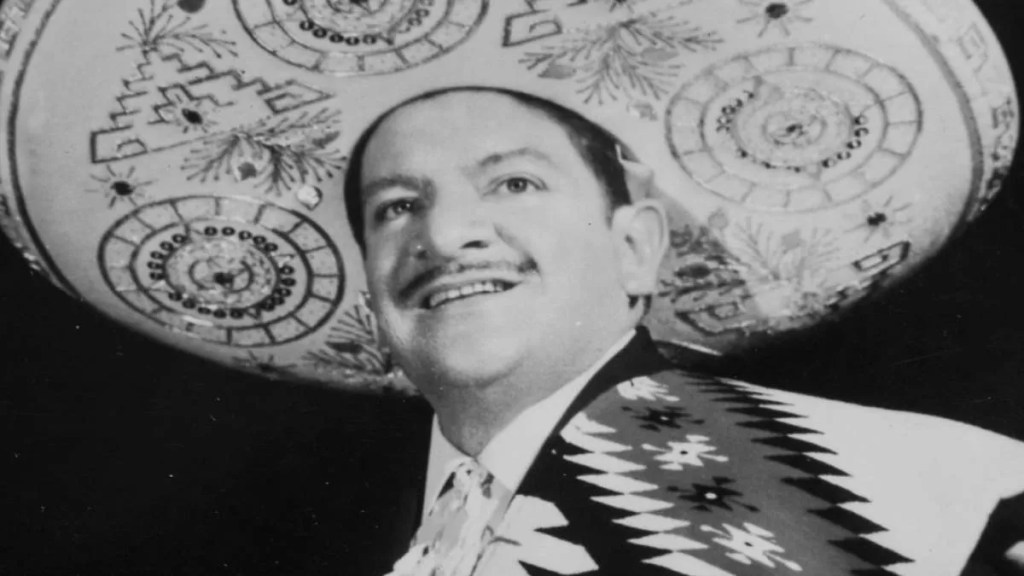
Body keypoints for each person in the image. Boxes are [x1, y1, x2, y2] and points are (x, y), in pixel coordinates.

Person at [342, 86, 1024, 576]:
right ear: (371, 295)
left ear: (635, 247)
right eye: (396, 207)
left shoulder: (926, 486)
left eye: (515, 183)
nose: (444, 234)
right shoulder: (360, 534)